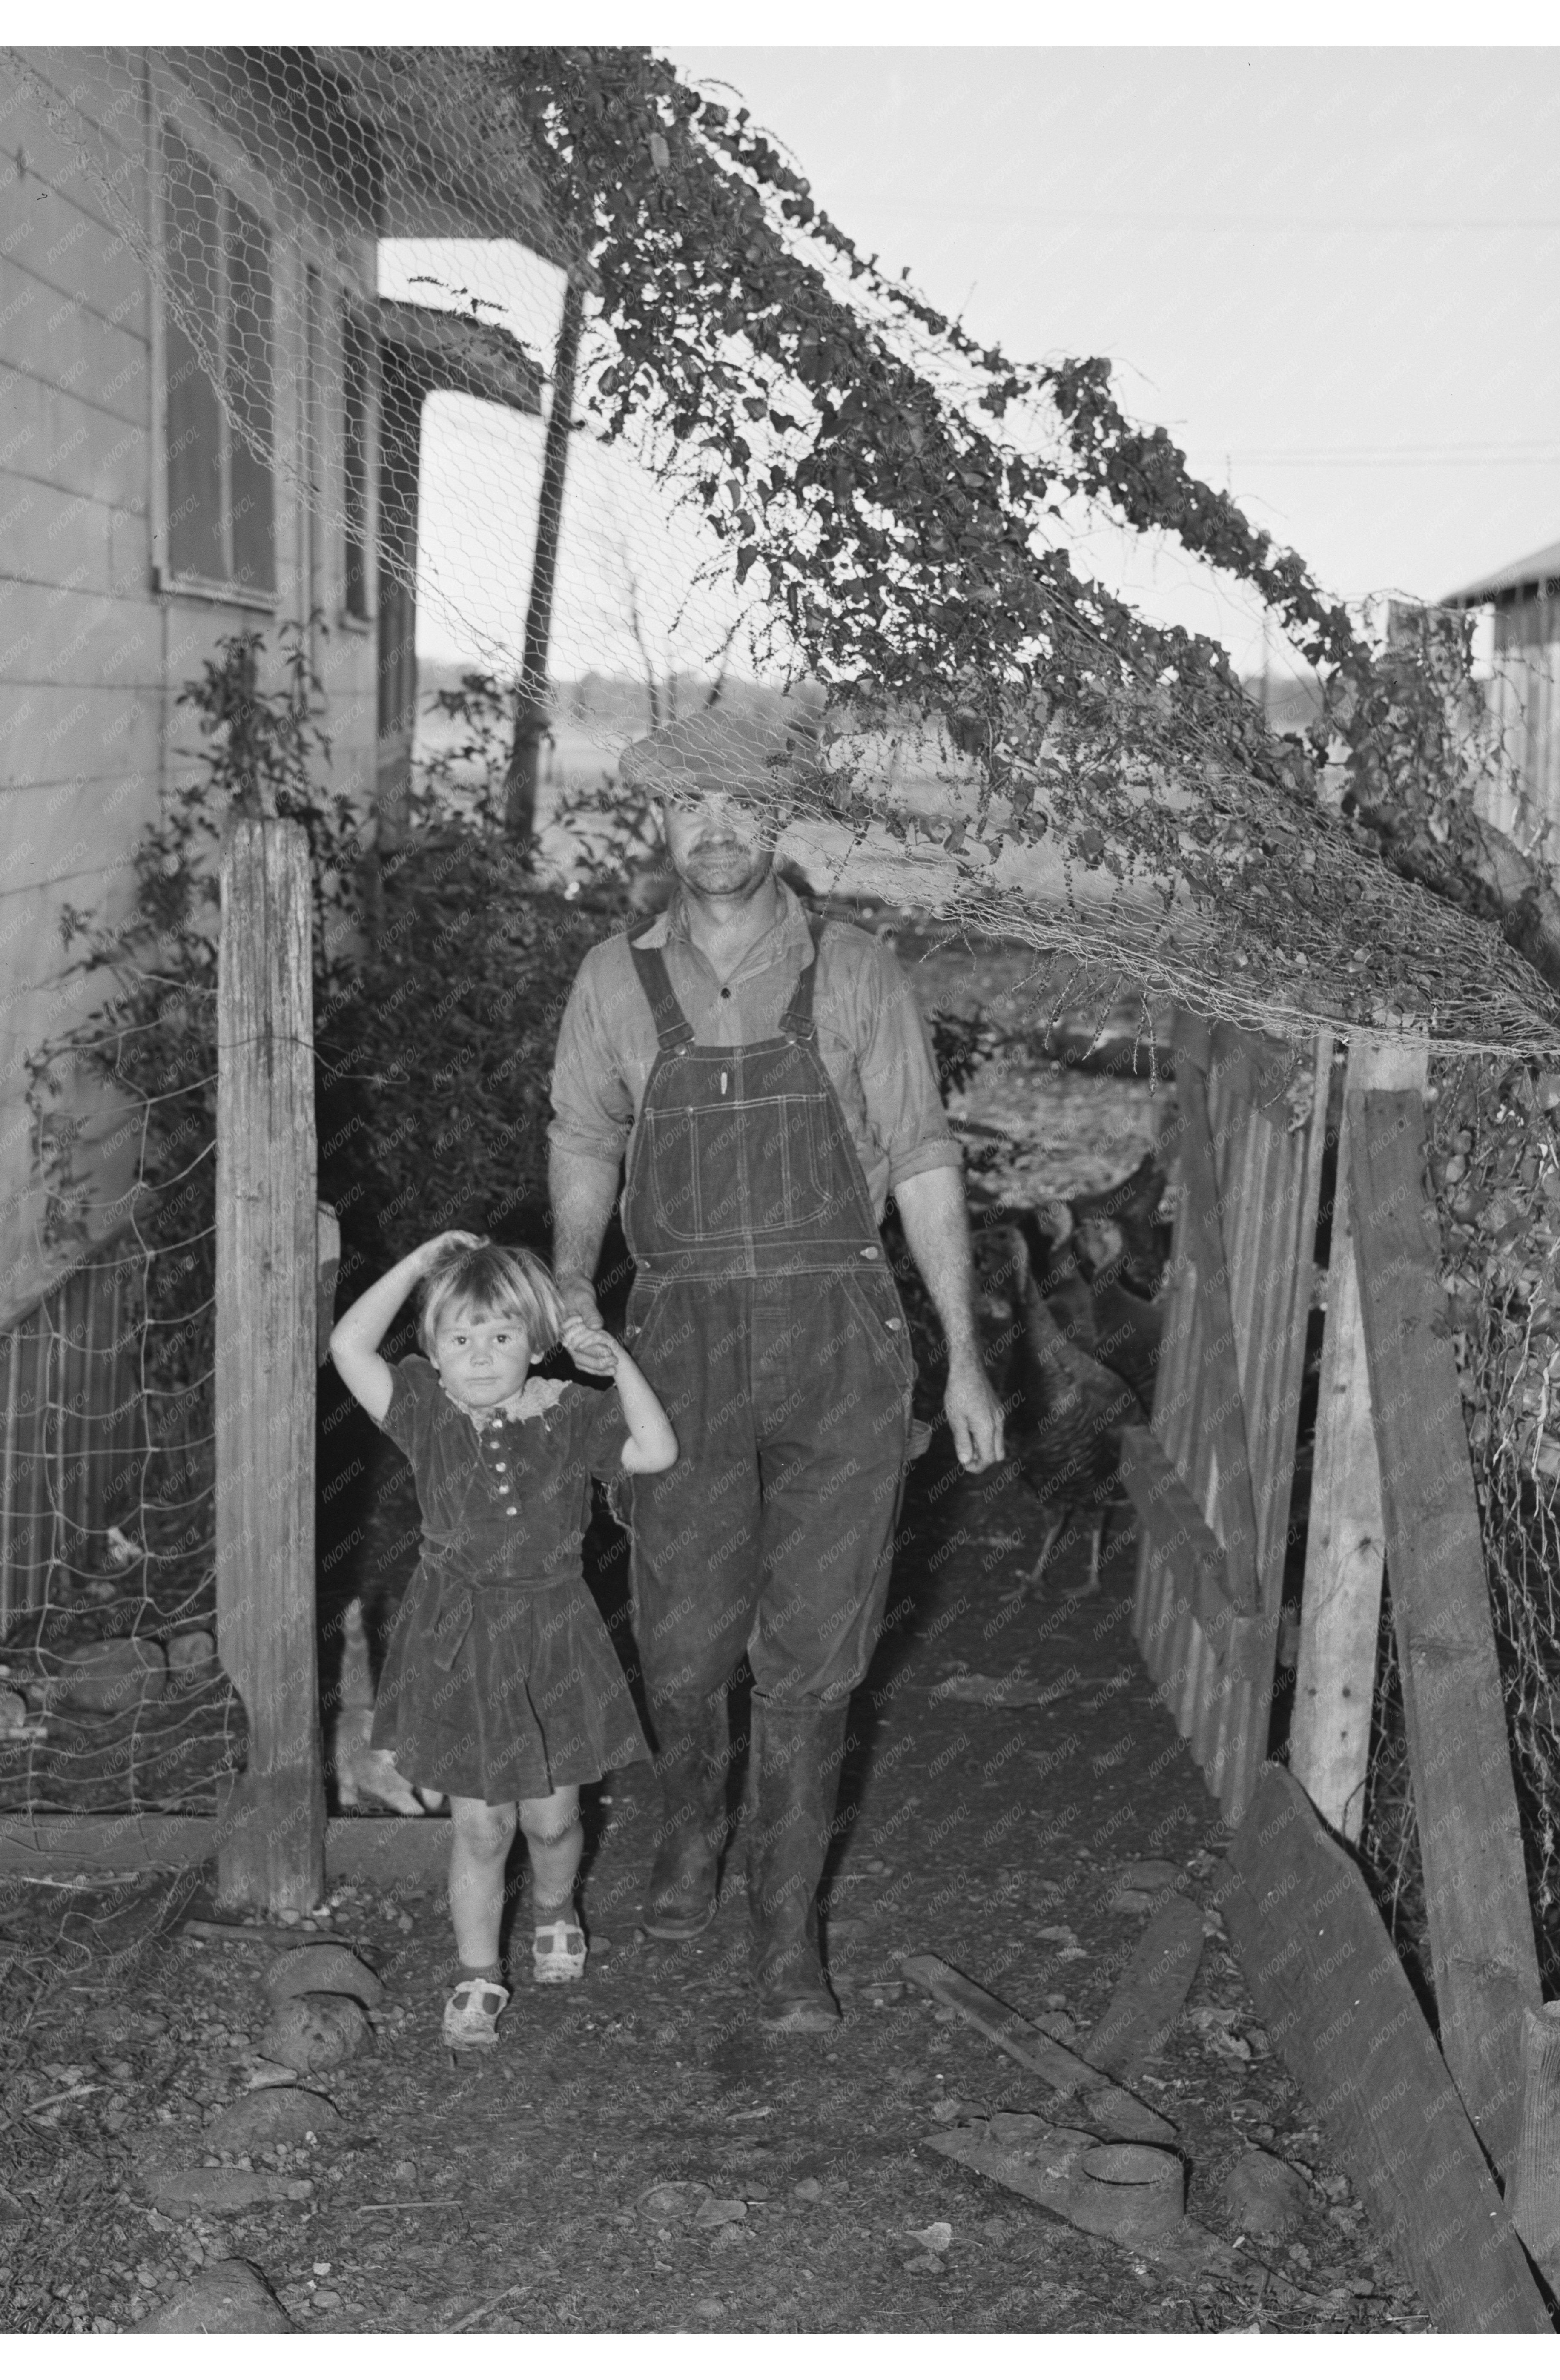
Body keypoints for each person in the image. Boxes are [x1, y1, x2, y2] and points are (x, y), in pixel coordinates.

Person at [547, 712, 1005, 2032]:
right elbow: (586, 1133)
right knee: (684, 1647)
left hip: (838, 1340)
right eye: (690, 805)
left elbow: (920, 1156)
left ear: (779, 819)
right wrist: (576, 1274)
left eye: (740, 804)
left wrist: (963, 1352)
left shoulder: (859, 968)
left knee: (815, 1655)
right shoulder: (612, 981)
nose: (716, 827)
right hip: (678, 1337)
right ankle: (693, 1831)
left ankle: (785, 1932)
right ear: (664, 826)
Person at [328, 1233, 677, 2056]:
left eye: (501, 1336)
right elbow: (347, 1342)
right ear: (433, 1350)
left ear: (536, 1340)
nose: (480, 1357)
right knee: (482, 1827)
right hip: (458, 1640)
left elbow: (656, 1451)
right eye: (460, 1337)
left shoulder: (567, 1414)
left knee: (554, 1821)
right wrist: (419, 1265)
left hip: (553, 1634)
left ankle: (557, 1910)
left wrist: (615, 1361)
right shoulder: (421, 1409)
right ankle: (478, 1970)